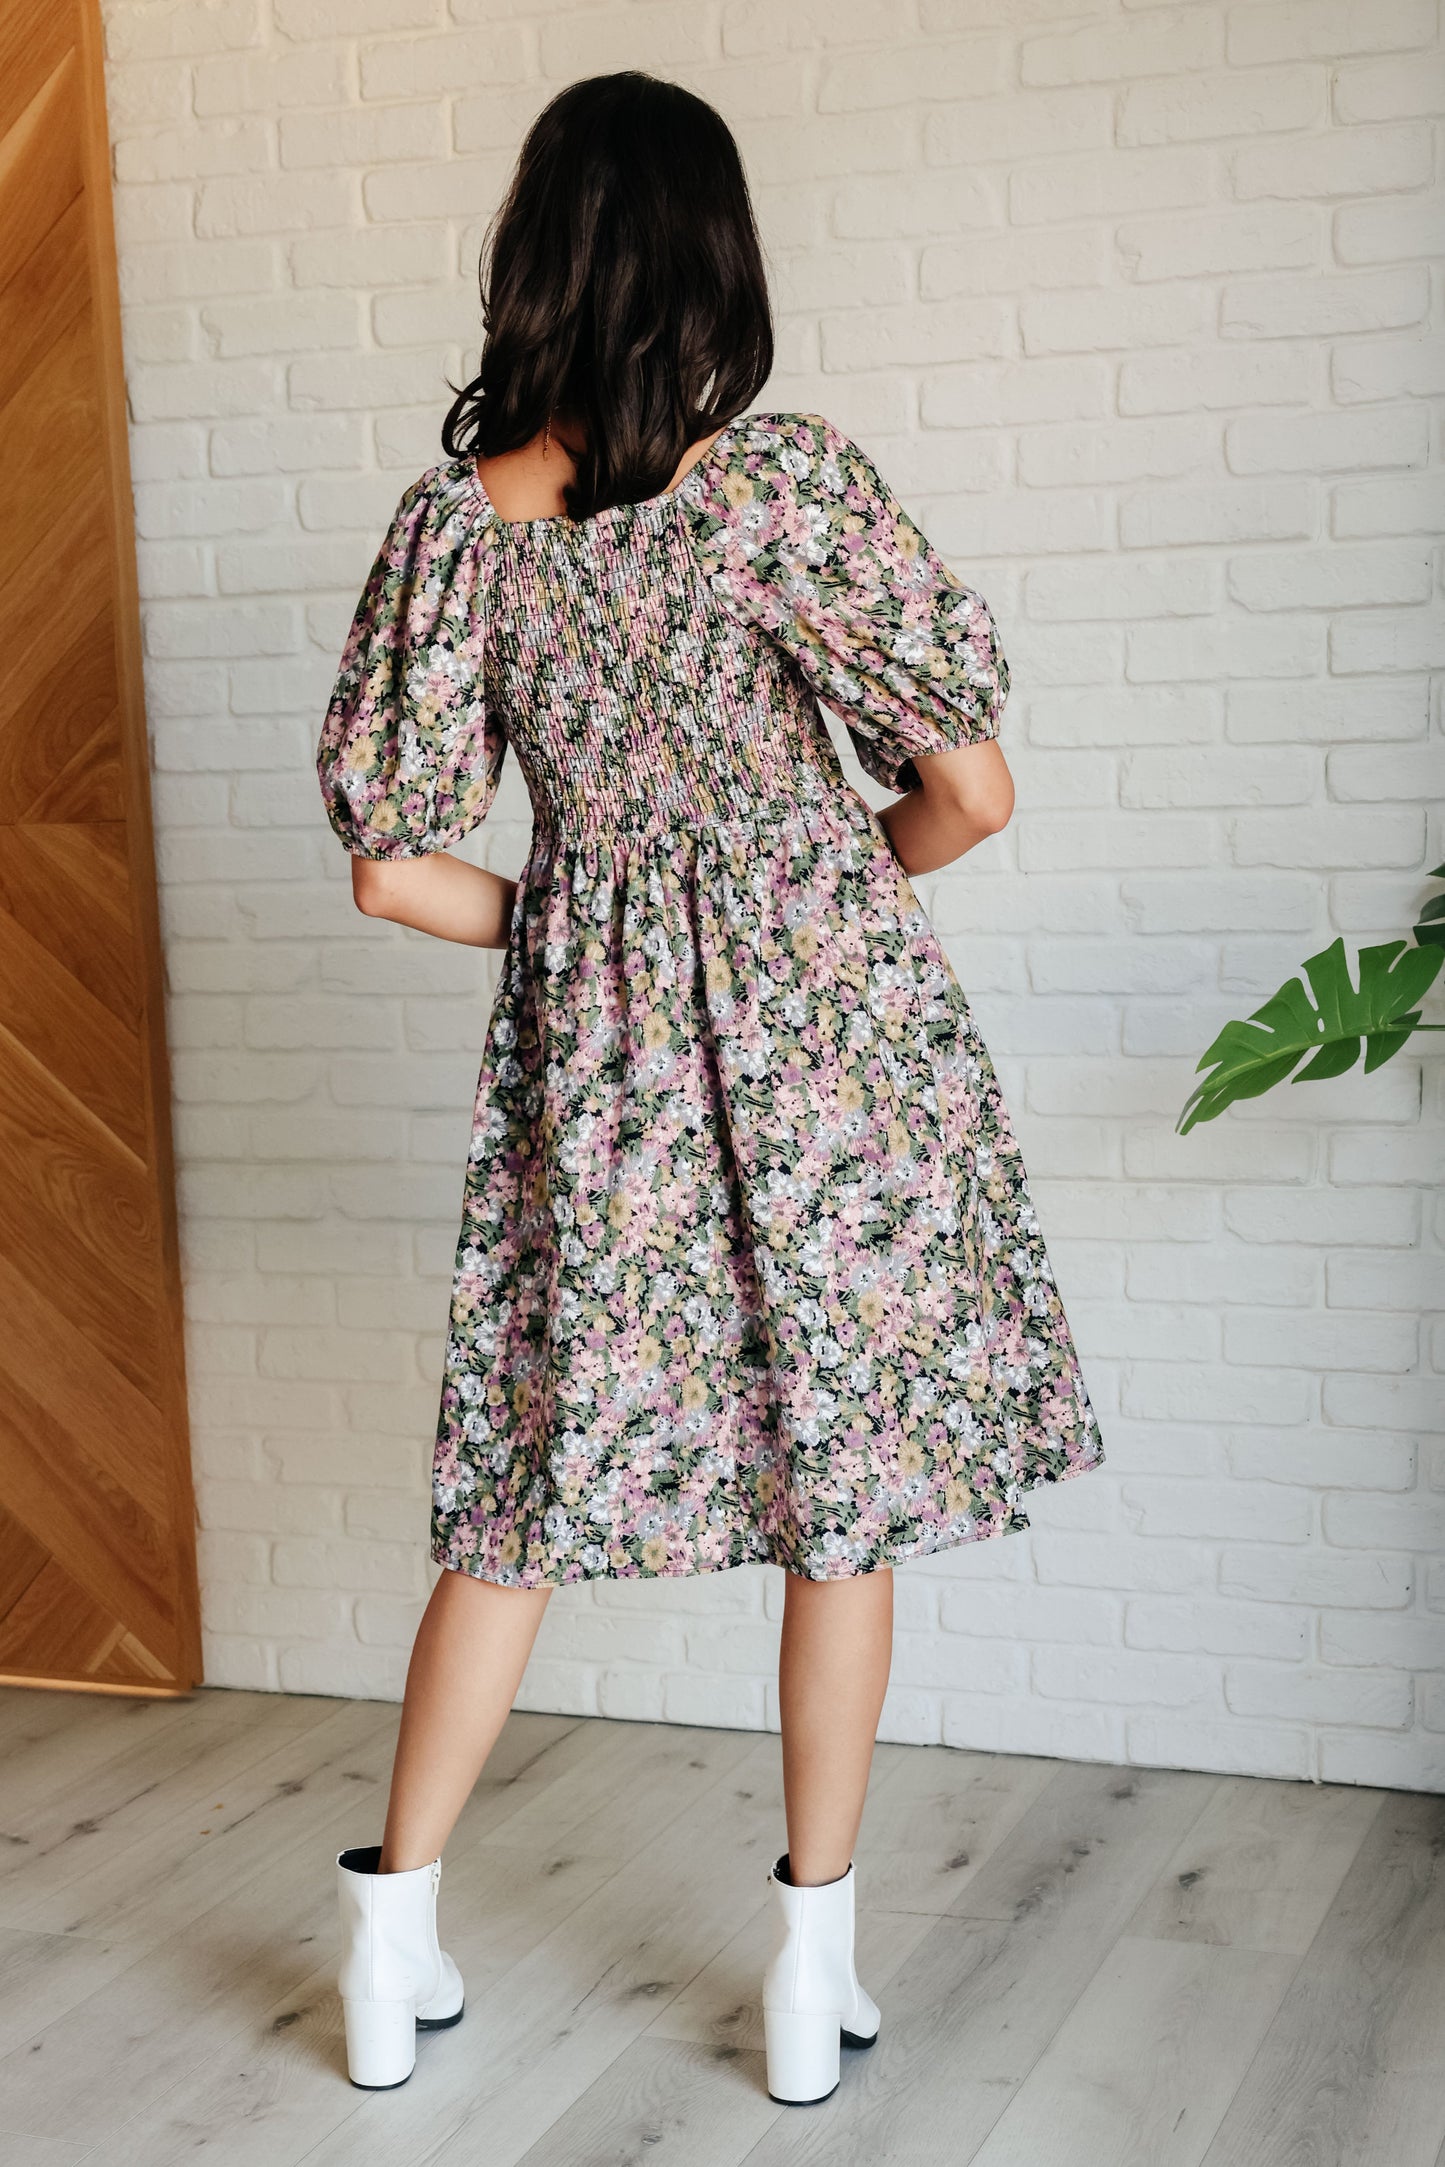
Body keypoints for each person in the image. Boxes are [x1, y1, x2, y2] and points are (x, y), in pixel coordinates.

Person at [317, 69, 1103, 2108]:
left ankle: (392, 1927)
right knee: (839, 1504)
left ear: (535, 256)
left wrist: (592, 928)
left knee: (521, 1486)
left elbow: (393, 862)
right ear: (716, 259)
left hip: (602, 1079)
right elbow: (973, 792)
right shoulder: (792, 491)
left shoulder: (454, 532)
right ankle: (808, 1967)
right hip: (838, 1052)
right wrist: (808, 889)